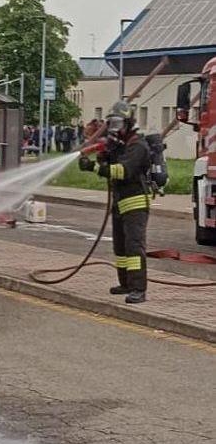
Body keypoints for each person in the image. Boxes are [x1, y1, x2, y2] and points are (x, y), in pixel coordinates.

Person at [78, 101, 151, 304]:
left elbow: (122, 171)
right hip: (120, 203)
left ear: (128, 124)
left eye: (118, 124)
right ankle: (126, 283)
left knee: (134, 248)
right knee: (120, 247)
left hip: (135, 202)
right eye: (112, 123)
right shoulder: (120, 145)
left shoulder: (138, 146)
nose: (114, 129)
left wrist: (93, 167)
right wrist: (102, 156)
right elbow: (109, 165)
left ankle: (138, 289)